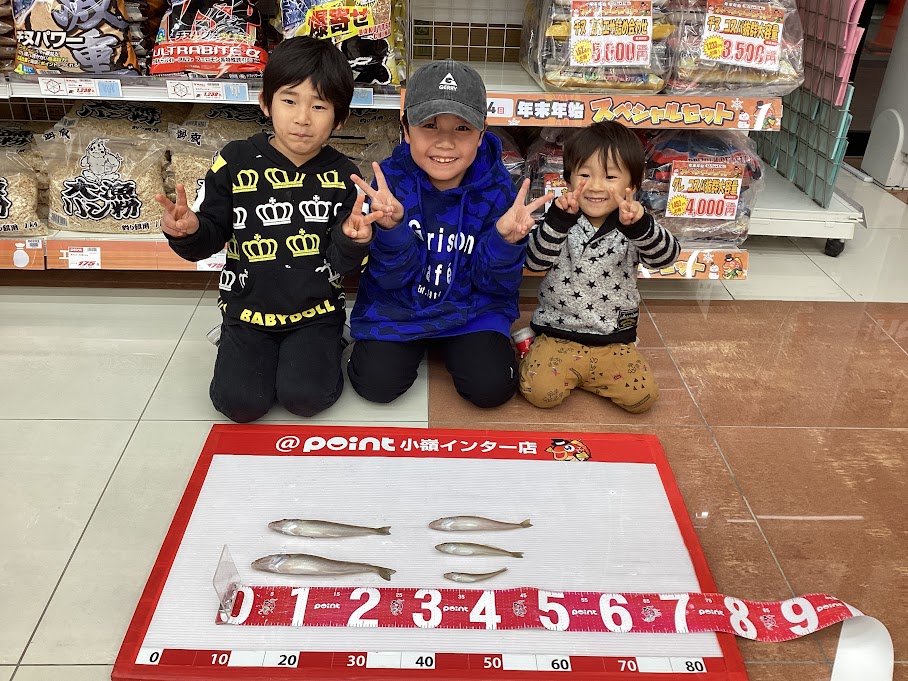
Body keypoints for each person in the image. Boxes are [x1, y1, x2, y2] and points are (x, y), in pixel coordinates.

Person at [156, 37, 381, 423]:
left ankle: (330, 339)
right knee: (239, 404)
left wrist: (353, 239)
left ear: (340, 118)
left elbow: (343, 264)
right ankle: (235, 343)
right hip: (247, 308)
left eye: (319, 106)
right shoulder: (234, 160)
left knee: (307, 399)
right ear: (265, 103)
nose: (302, 118)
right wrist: (187, 231)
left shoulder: (346, 176)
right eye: (289, 100)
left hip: (316, 311)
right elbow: (208, 237)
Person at [346, 60, 551, 408]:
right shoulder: (388, 187)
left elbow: (496, 286)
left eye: (462, 128)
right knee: (376, 385)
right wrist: (392, 229)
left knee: (491, 389)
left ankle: (457, 344)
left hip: (472, 309)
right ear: (406, 129)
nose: (444, 142)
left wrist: (505, 243)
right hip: (399, 307)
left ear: (482, 133)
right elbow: (389, 279)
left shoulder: (500, 190)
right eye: (429, 125)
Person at [519, 121, 680, 414]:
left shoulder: (635, 225)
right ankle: (553, 359)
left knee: (642, 398)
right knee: (540, 393)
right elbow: (534, 261)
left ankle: (584, 374)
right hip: (558, 332)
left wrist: (642, 227)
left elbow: (666, 258)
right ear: (568, 180)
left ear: (631, 185)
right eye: (584, 175)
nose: (595, 186)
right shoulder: (559, 219)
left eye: (610, 176)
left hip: (613, 339)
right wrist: (557, 222)